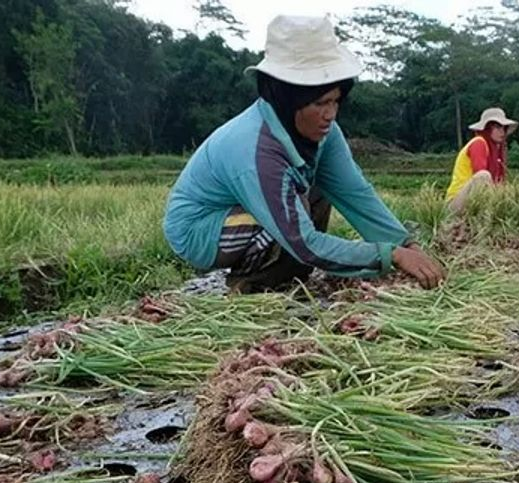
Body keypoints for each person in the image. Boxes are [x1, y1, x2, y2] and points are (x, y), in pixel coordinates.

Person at [163, 15, 446, 293]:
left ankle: (288, 275)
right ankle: (251, 284)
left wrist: (407, 245)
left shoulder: (325, 132)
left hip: (251, 210)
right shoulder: (256, 151)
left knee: (313, 189)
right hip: (201, 229)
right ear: (288, 99)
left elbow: (355, 192)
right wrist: (391, 255)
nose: (330, 114)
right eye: (320, 103)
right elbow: (303, 242)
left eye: (335, 101)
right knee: (289, 209)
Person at [445, 108, 518, 216]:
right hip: (457, 203)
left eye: (504, 128)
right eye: (497, 127)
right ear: (487, 128)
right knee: (483, 176)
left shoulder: (497, 150)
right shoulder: (479, 143)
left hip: (474, 202)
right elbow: (481, 179)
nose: (502, 132)